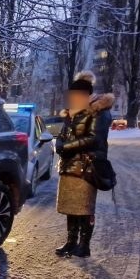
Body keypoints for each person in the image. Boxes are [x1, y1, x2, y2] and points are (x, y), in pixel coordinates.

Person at [55, 71, 114, 258]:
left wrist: (67, 147)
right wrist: (59, 144)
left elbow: (94, 138)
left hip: (87, 166)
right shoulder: (71, 113)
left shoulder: (99, 112)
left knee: (84, 208)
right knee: (70, 207)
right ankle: (71, 242)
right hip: (69, 165)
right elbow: (63, 134)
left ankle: (84, 245)